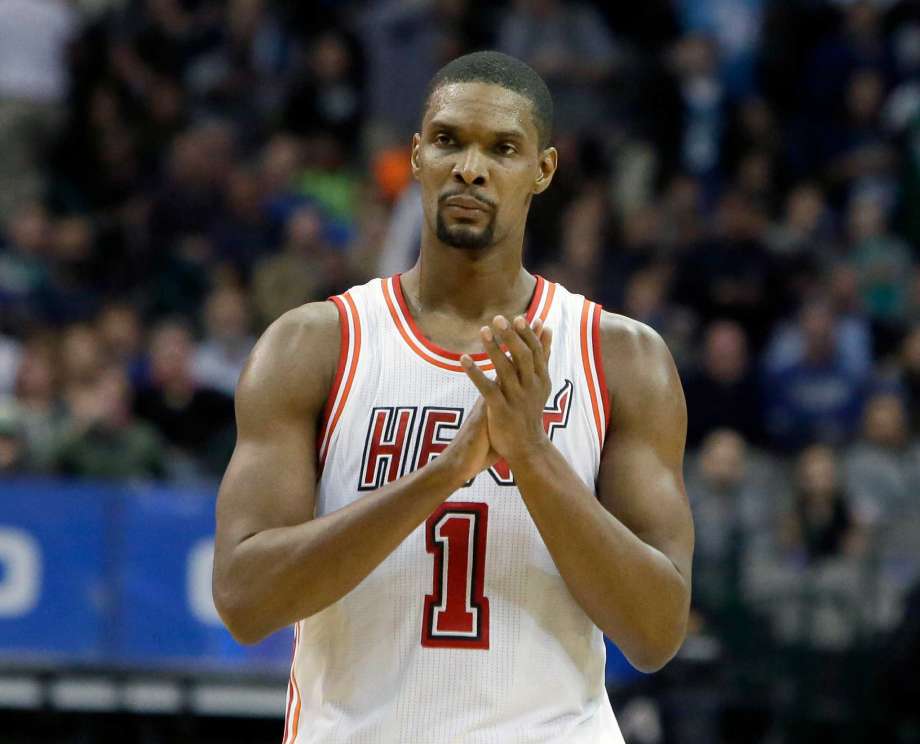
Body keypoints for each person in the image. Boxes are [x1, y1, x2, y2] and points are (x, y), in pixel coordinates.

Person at [212, 51, 693, 744]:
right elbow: (244, 601)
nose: (471, 167)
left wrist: (530, 456)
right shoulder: (315, 346)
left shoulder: (621, 358)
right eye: (448, 141)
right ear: (416, 156)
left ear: (544, 170)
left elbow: (655, 632)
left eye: (502, 148)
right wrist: (443, 473)